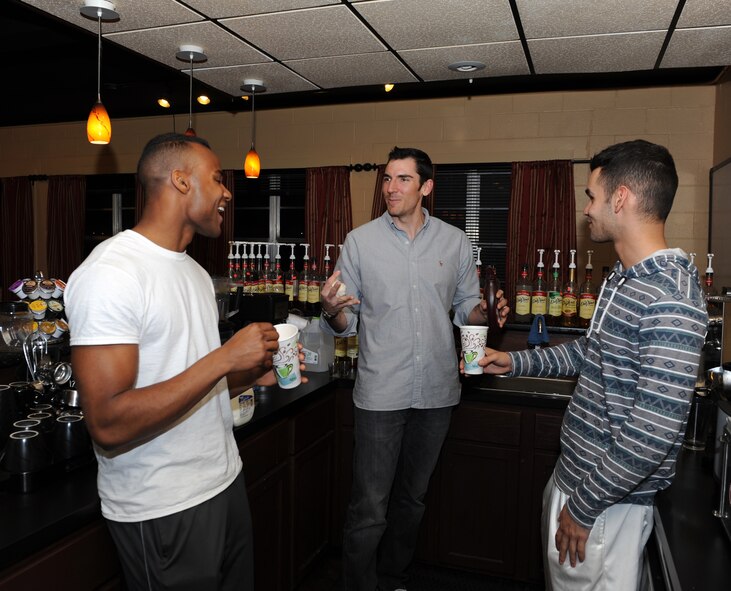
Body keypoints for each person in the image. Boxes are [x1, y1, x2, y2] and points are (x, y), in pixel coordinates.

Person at [474, 139, 708, 590]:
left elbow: (651, 433)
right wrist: (514, 362)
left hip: (604, 508)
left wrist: (583, 508)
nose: (587, 209)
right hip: (576, 481)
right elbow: (590, 352)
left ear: (621, 198)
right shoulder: (625, 279)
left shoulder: (670, 297)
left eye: (592, 196)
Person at [65, 133, 290, 590]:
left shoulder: (193, 272)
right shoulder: (111, 273)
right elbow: (107, 421)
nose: (227, 191)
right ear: (180, 181)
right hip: (162, 504)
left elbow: (194, 384)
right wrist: (226, 357)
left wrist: (253, 368)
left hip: (223, 482)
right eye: (217, 178)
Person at [319, 146, 509, 591]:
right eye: (386, 179)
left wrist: (486, 313)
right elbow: (347, 320)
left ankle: (395, 578)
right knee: (369, 507)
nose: (391, 188)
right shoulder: (360, 242)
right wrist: (330, 310)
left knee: (413, 500)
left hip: (438, 392)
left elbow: (467, 312)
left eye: (403, 179)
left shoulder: (455, 241)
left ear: (425, 187)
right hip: (380, 393)